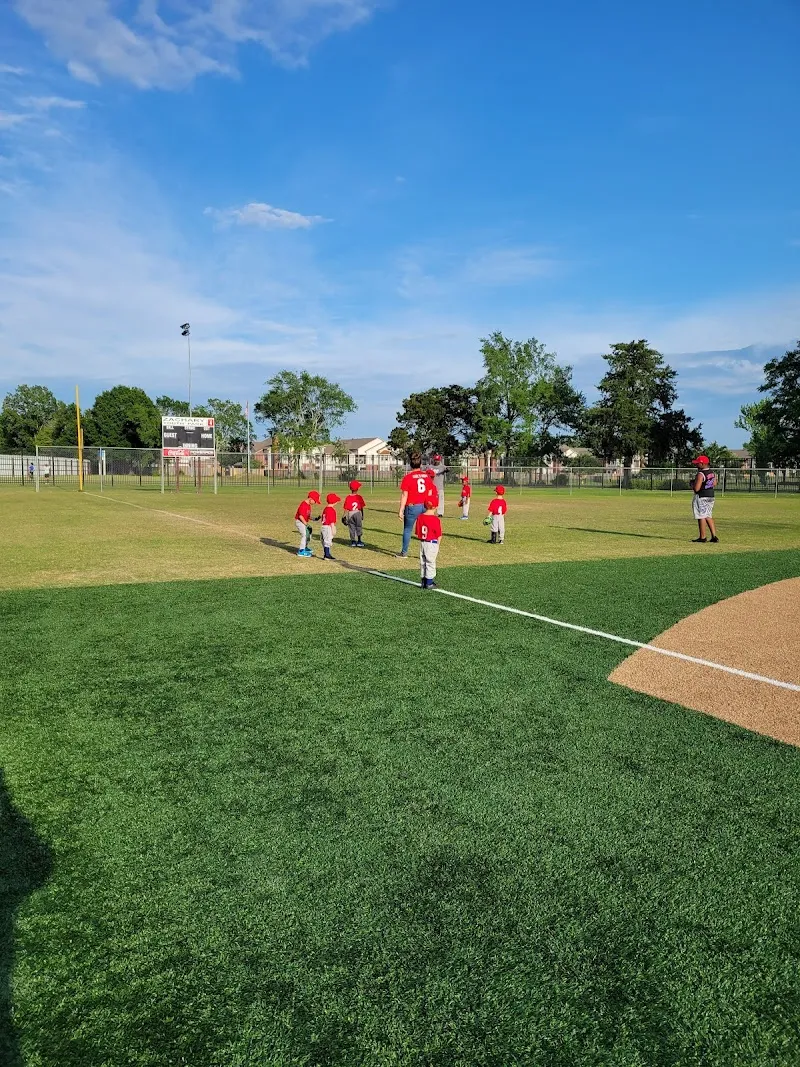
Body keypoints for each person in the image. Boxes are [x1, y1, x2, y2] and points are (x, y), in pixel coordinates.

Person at [397, 455, 435, 558]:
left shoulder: (408, 477)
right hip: (425, 506)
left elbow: (405, 495)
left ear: (410, 464)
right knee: (426, 529)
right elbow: (430, 491)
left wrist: (401, 510)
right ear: (421, 464)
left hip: (412, 506)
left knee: (408, 529)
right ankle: (427, 553)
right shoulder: (426, 476)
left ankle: (404, 553)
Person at [415, 492, 442, 589]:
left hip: (423, 542)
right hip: (431, 543)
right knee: (431, 562)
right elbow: (439, 535)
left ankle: (423, 581)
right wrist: (438, 545)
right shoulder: (435, 519)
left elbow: (417, 532)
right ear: (435, 506)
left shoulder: (420, 517)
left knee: (423, 562)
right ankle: (429, 583)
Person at [690, 456, 719, 543]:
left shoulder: (701, 474)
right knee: (708, 515)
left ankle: (702, 537)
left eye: (697, 463)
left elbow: (697, 489)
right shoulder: (711, 472)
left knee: (701, 515)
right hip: (710, 495)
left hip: (702, 496)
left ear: (702, 463)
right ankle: (714, 536)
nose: (696, 465)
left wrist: (692, 484)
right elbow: (714, 483)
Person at [294, 490, 321, 557]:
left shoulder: (308, 505)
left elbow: (308, 516)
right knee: (305, 535)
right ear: (311, 499)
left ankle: (305, 547)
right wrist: (306, 524)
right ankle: (301, 551)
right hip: (300, 522)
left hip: (304, 522)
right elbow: (300, 516)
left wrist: (315, 519)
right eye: (315, 501)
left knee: (308, 535)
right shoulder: (303, 505)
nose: (315, 503)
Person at [343, 480, 366, 548]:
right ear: (358, 488)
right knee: (358, 527)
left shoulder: (348, 497)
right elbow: (361, 507)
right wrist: (362, 515)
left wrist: (344, 516)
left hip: (350, 514)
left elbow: (346, 508)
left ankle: (353, 541)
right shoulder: (359, 497)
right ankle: (359, 541)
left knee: (351, 527)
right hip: (357, 513)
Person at [320, 493, 341, 560]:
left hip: (323, 526)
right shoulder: (331, 510)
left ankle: (327, 554)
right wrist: (333, 529)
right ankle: (326, 555)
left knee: (325, 540)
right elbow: (331, 521)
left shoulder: (325, 509)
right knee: (327, 541)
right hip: (328, 527)